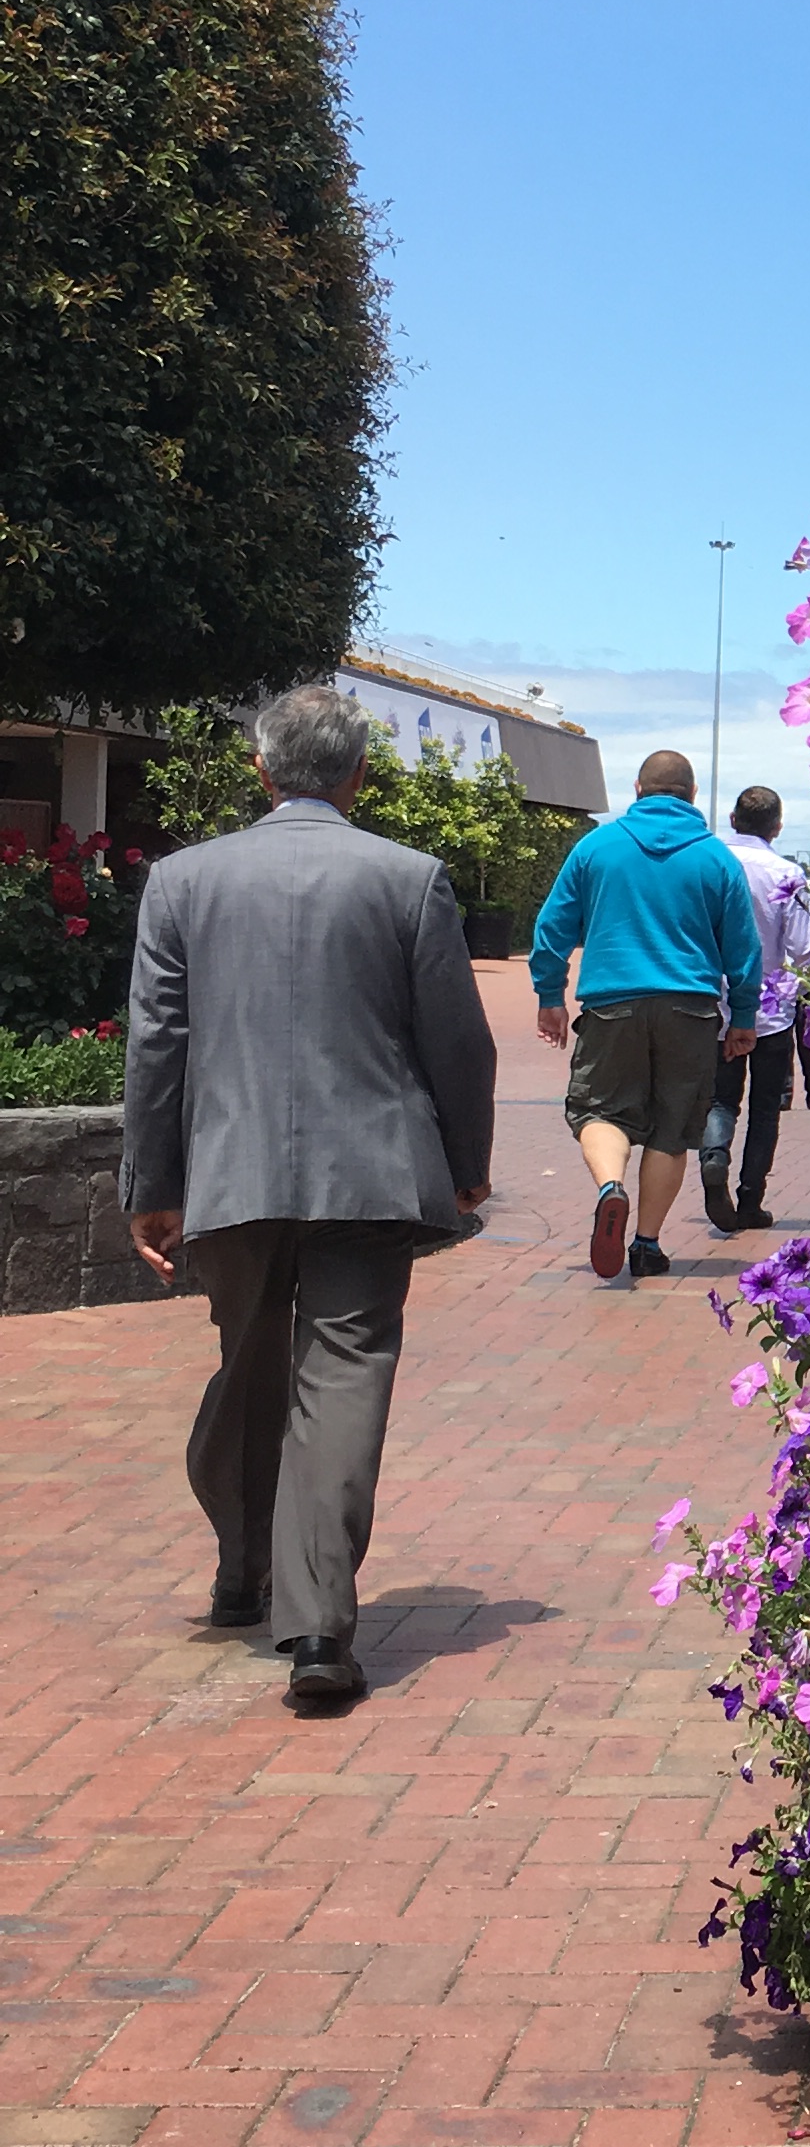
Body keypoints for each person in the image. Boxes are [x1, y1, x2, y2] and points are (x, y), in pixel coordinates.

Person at [119, 685, 497, 1715]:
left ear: (261, 769)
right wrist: (467, 1160)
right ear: (359, 776)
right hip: (369, 1174)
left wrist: (153, 1184)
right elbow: (457, 1038)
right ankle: (320, 1624)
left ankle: (243, 1568)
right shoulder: (409, 878)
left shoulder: (183, 882)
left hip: (230, 1168)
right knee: (341, 1379)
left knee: (247, 1365)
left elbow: (158, 1043)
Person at [527, 751, 760, 1281]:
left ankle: (611, 1186)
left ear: (637, 789)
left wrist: (549, 996)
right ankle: (647, 1245)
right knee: (671, 1130)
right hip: (690, 1008)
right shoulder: (717, 858)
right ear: (692, 795)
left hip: (611, 1005)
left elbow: (552, 929)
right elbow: (743, 950)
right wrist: (743, 1016)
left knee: (597, 1110)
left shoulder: (596, 847)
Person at [696, 785, 810, 1233]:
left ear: (733, 819)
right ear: (777, 827)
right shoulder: (788, 875)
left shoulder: (707, 863)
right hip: (770, 1007)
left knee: (720, 1098)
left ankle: (714, 1156)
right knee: (765, 1108)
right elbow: (805, 949)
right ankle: (751, 1201)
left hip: (712, 1002)